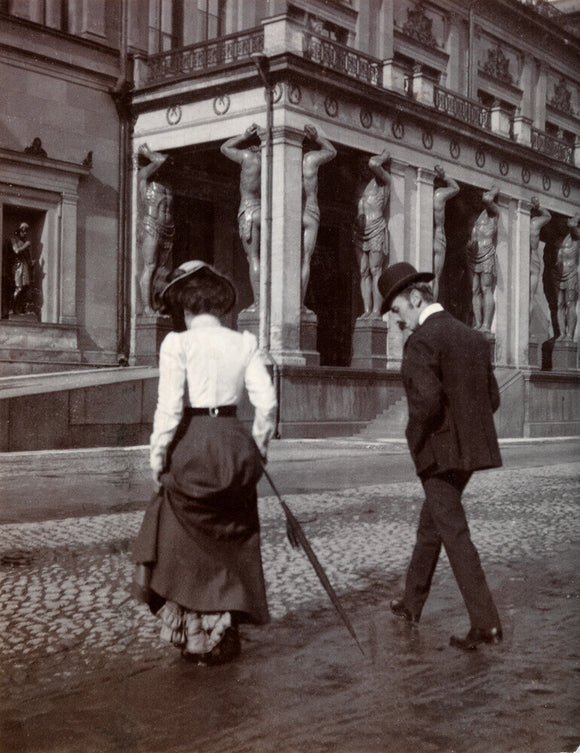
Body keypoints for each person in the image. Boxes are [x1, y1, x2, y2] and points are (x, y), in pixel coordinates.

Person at [131, 260, 277, 665]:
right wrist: (258, 450)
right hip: (234, 441)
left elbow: (169, 409)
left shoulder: (177, 345)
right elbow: (267, 404)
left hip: (193, 442)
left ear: (186, 305)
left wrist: (157, 458)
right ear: (218, 303)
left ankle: (193, 627)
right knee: (233, 539)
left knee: (175, 532)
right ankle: (220, 624)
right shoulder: (245, 343)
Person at [378, 261, 503, 651]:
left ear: (415, 298)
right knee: (431, 526)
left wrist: (416, 440)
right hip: (469, 454)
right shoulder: (473, 337)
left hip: (439, 456)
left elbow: (426, 404)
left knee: (454, 534)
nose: (400, 322)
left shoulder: (422, 342)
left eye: (398, 311)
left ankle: (486, 624)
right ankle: (410, 604)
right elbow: (493, 398)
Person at [221, 125, 262, 309]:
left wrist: (243, 135)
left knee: (253, 258)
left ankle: (259, 301)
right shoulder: (270, 158)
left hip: (249, 209)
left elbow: (225, 147)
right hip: (265, 211)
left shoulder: (247, 157)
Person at [301, 124, 336, 309]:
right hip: (310, 210)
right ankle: (299, 303)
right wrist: (317, 138)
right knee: (305, 259)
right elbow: (331, 151)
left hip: (291, 211)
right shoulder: (311, 159)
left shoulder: (283, 159)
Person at [353, 150, 391, 318]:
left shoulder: (382, 182)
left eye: (364, 164)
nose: (363, 168)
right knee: (363, 271)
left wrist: (383, 156)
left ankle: (377, 311)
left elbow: (374, 164)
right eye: (359, 165)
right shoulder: (360, 187)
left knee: (376, 270)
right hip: (360, 233)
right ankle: (367, 310)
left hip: (376, 228)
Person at [137, 143, 174, 315]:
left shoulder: (167, 183)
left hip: (167, 227)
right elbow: (159, 159)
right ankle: (146, 307)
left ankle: (157, 305)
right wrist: (149, 153)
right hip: (151, 224)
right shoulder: (144, 176)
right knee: (150, 266)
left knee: (162, 270)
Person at [467, 185, 499, 332]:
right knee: (475, 289)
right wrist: (469, 244)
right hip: (474, 255)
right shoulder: (473, 218)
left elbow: (494, 192)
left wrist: (490, 192)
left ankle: (486, 324)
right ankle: (478, 323)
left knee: (486, 288)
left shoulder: (492, 213)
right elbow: (470, 238)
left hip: (487, 253)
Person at [432, 165, 459, 301]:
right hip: (438, 235)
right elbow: (456, 188)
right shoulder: (439, 195)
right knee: (436, 276)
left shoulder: (434, 195)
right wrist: (444, 176)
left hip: (428, 234)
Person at [554, 213, 580, 341]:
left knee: (570, 303)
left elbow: (576, 231)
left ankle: (569, 334)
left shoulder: (575, 237)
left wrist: (575, 221)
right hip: (560, 276)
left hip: (571, 274)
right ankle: (562, 333)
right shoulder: (559, 240)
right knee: (559, 304)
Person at [529, 197, 551, 324]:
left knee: (526, 296)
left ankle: (524, 331)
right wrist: (539, 207)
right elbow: (548, 216)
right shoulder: (535, 223)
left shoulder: (531, 222)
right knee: (530, 296)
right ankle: (525, 331)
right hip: (533, 258)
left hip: (527, 258)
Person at [11, 222, 34, 315]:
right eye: (23, 231)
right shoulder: (14, 239)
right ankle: (12, 309)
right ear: (19, 231)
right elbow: (16, 251)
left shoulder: (25, 242)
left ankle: (22, 309)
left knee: (26, 287)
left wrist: (31, 263)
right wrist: (25, 246)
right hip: (17, 266)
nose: (25, 234)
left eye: (26, 232)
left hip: (25, 266)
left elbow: (28, 257)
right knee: (18, 288)